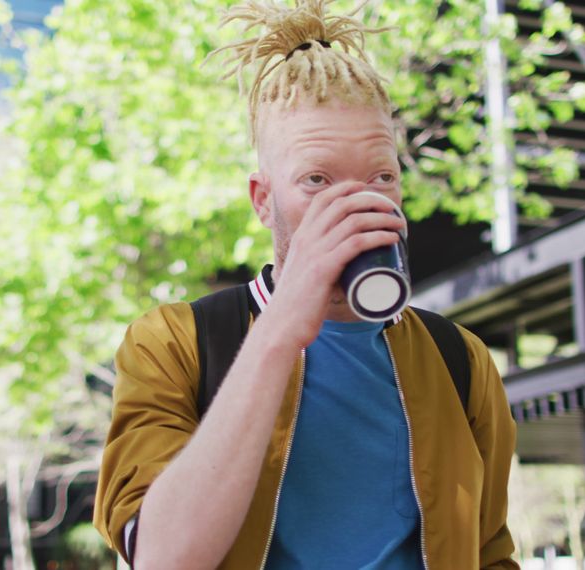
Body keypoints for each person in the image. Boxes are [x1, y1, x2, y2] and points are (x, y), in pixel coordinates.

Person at [93, 1, 519, 568]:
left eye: (381, 177)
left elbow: (489, 553)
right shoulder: (172, 344)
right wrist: (279, 332)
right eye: (317, 179)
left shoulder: (460, 360)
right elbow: (163, 557)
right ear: (264, 201)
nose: (357, 203)